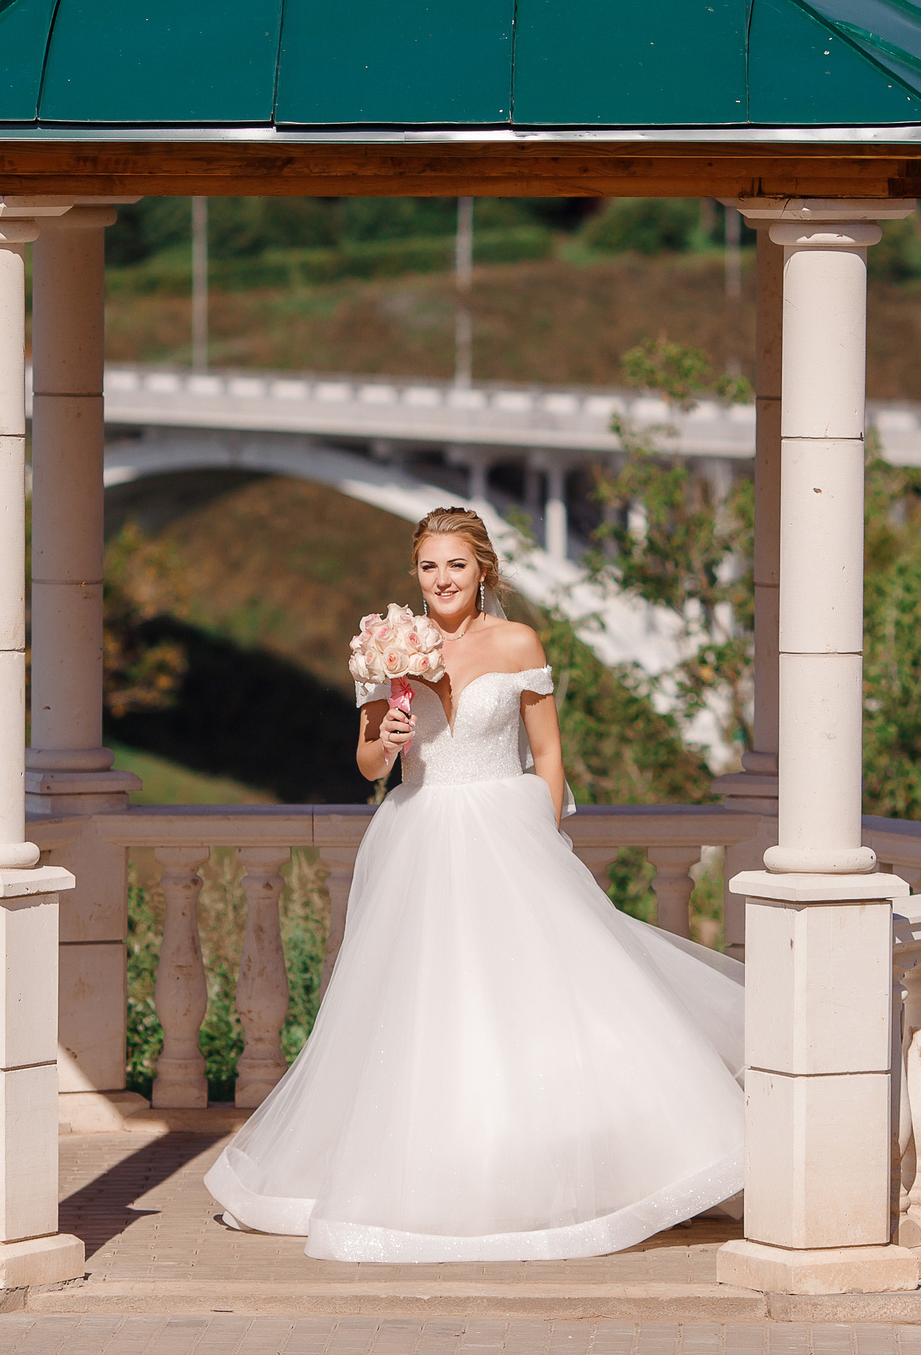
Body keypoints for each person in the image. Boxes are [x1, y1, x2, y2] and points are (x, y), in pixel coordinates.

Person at [203, 506, 745, 1262]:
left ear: (482, 568)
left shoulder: (517, 642)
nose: (441, 580)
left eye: (455, 564)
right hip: (421, 835)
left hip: (508, 835)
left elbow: (549, 753)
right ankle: (436, 1177)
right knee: (425, 1009)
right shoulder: (385, 648)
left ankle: (578, 1166)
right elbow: (366, 763)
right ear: (415, 573)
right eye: (428, 566)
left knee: (543, 1001)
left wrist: (540, 836)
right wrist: (385, 739)